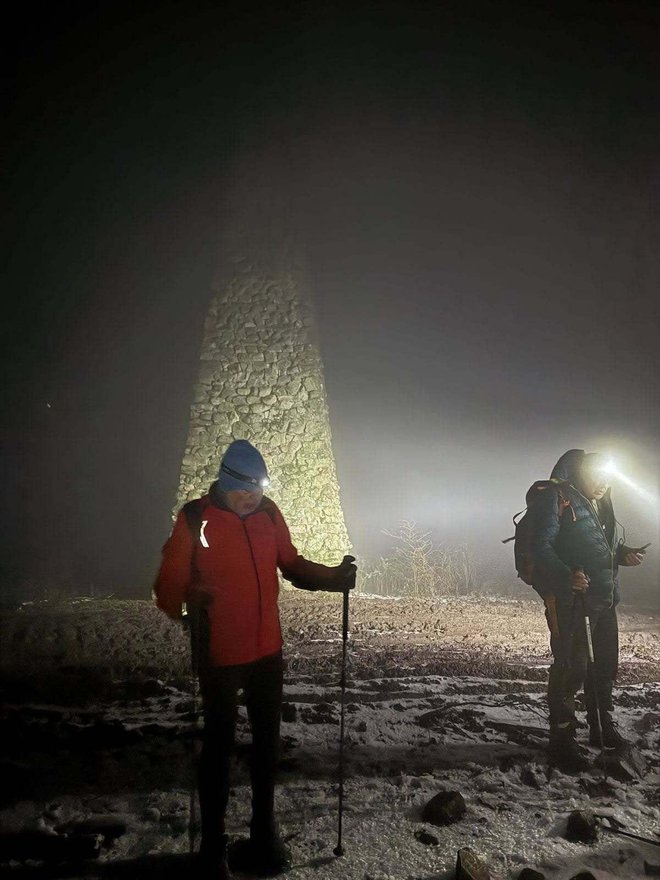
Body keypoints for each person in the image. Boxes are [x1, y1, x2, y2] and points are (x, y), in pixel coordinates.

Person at [154, 439, 356, 878]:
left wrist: (334, 577)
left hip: (267, 651)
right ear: (226, 483)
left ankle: (264, 835)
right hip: (220, 655)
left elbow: (291, 564)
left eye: (259, 487)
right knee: (219, 749)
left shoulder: (269, 515)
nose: (253, 496)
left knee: (267, 747)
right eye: (245, 488)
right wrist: (190, 601)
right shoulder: (195, 519)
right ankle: (213, 847)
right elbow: (167, 588)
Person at [530, 449, 645, 773]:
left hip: (605, 598)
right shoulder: (557, 497)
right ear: (581, 471)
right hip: (573, 601)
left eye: (608, 477)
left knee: (604, 666)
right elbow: (542, 546)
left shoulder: (601, 503)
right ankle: (563, 739)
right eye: (598, 475)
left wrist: (622, 554)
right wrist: (567, 575)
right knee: (571, 668)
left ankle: (601, 727)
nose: (603, 483)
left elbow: (599, 546)